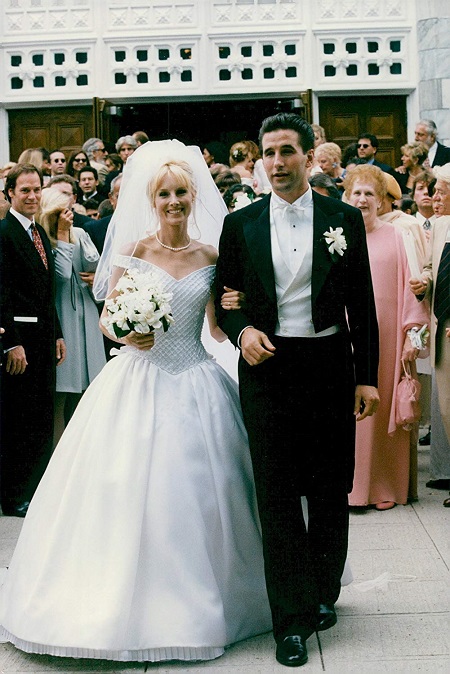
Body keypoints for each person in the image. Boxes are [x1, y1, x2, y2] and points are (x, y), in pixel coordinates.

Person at [0, 140, 271, 661]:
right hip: (137, 375)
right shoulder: (136, 252)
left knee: (201, 487)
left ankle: (208, 595)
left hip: (194, 375)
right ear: (152, 199)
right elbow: (107, 316)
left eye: (181, 193)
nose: (174, 202)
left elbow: (216, 327)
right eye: (165, 194)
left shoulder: (212, 256)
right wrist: (126, 330)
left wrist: (240, 304)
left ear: (194, 197)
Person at [215, 113, 380, 668]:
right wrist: (243, 333)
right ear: (260, 159)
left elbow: (364, 304)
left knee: (331, 486)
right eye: (269, 152)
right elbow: (225, 297)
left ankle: (322, 592)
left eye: (288, 151)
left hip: (330, 363)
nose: (278, 162)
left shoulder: (342, 219)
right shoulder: (241, 224)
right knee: (278, 492)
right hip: (268, 368)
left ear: (309, 157)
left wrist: (367, 377)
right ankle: (289, 619)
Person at [343, 164, 429, 511]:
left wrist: (413, 335)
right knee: (351, 412)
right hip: (348, 334)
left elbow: (411, 285)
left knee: (383, 410)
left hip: (389, 336)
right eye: (356, 193)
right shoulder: (337, 234)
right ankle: (351, 489)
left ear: (381, 201)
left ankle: (386, 487)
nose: (362, 200)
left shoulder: (397, 235)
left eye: (369, 194)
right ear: (346, 198)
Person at [0, 163, 66, 517]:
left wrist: (57, 333)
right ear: (9, 193)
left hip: (43, 340)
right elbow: (2, 292)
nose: (32, 196)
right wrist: (12, 342)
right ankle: (13, 495)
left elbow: (47, 291)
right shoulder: (4, 232)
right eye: (24, 190)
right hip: (20, 342)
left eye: (36, 189)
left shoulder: (38, 231)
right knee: (18, 420)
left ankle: (36, 490)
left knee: (41, 416)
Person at [38, 187, 106, 443]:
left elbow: (94, 265)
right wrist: (63, 235)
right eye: (60, 213)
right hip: (62, 315)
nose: (66, 217)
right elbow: (62, 275)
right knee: (62, 392)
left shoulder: (79, 232)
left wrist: (95, 275)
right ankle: (58, 451)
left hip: (85, 314)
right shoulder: (45, 238)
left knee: (89, 390)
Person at [410, 163, 450, 507]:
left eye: (441, 191)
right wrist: (424, 281)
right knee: (447, 408)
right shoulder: (437, 227)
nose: (434, 197)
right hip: (442, 331)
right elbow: (430, 266)